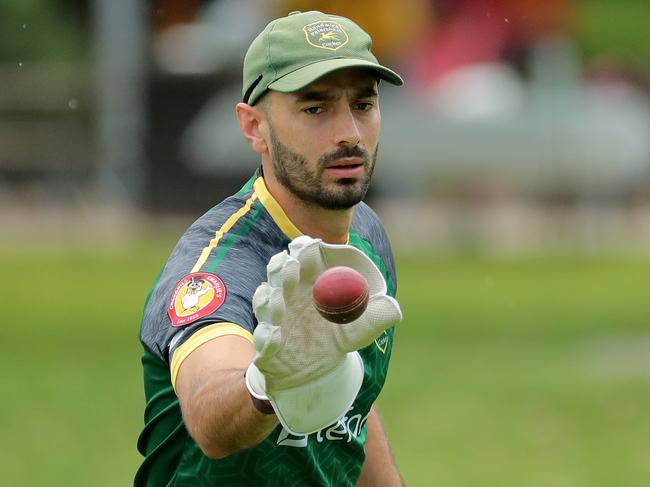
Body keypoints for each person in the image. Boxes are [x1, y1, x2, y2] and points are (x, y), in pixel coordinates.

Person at [135, 10, 405, 486]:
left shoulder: (366, 236)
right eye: (315, 109)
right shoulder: (220, 266)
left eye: (363, 105)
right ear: (254, 127)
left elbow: (353, 408)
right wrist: (269, 384)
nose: (349, 133)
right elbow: (210, 415)